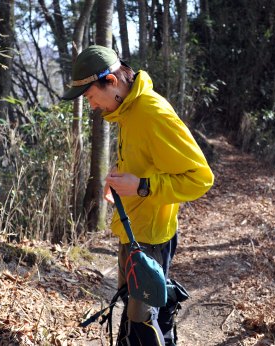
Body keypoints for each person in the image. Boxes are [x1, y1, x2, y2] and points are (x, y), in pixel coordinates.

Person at [62, 45, 214, 345]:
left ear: (111, 81)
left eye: (90, 96)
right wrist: (118, 176)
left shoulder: (151, 112)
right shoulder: (128, 111)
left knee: (145, 321)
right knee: (135, 312)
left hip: (151, 239)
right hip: (133, 231)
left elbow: (200, 179)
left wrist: (142, 186)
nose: (91, 105)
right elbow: (146, 157)